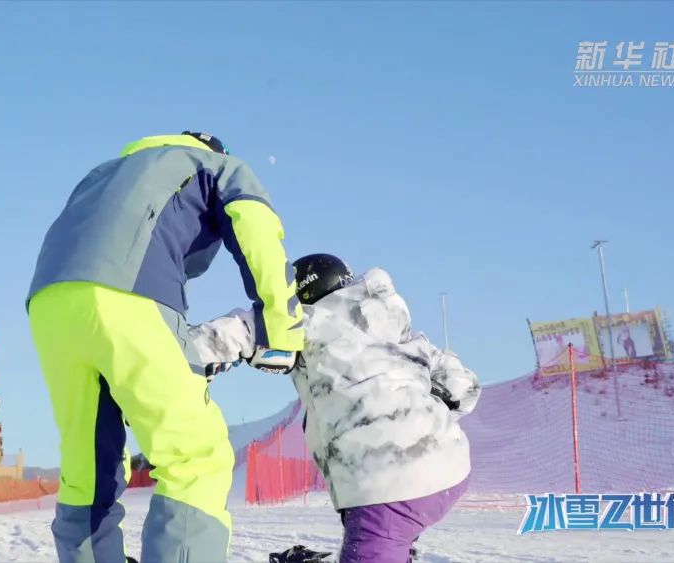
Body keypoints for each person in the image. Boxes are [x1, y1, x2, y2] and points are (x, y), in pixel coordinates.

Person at [26, 132, 304, 562]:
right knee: (195, 458)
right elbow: (256, 225)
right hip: (129, 290)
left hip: (50, 301)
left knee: (87, 471)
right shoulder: (215, 164)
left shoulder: (105, 174)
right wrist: (282, 332)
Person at [190, 254, 481, 563]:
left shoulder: (303, 322)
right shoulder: (394, 325)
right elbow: (463, 386)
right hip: (452, 469)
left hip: (385, 487)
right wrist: (415, 415)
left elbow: (228, 334)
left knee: (376, 537)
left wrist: (171, 358)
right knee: (386, 535)